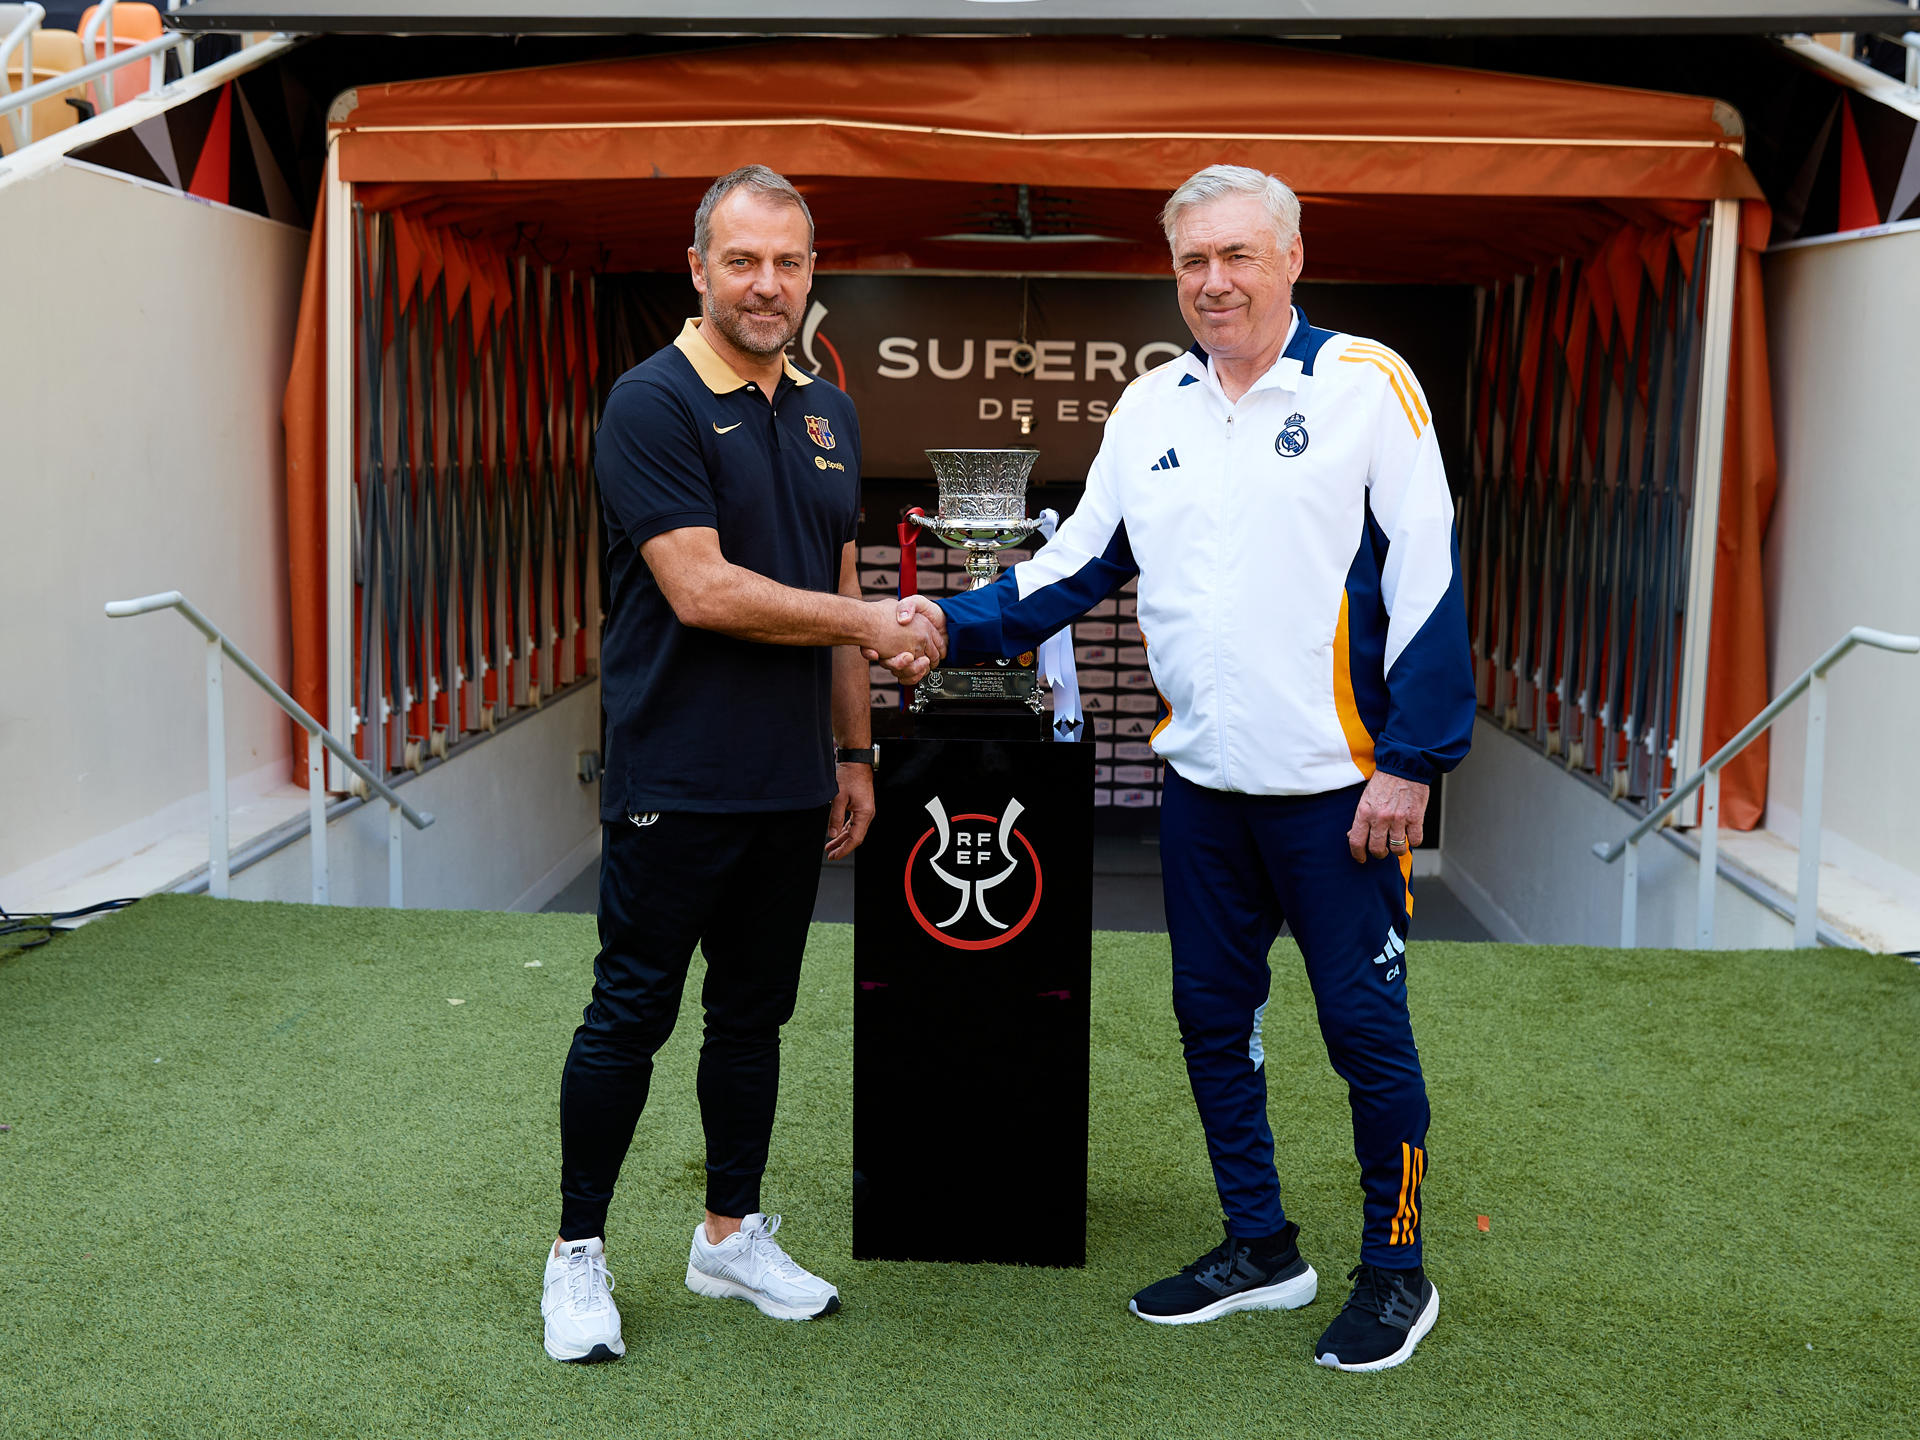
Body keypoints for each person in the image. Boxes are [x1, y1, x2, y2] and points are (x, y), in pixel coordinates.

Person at [886, 164, 1473, 1372]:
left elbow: (1428, 577)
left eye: (1239, 256)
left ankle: (1398, 1269)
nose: (1215, 282)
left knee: (1368, 1038)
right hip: (1203, 790)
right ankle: (1262, 1246)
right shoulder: (1150, 407)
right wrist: (948, 624)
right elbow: (1076, 567)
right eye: (1194, 261)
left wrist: (1411, 763)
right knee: (1213, 1021)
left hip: (1343, 796)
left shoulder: (1368, 387)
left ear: (1293, 257)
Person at [541, 165, 944, 1363]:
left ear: (813, 273)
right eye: (743, 261)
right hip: (676, 777)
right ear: (699, 268)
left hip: (791, 785)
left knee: (753, 1021)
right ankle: (576, 1257)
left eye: (789, 262)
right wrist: (872, 632)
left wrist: (857, 750)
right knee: (630, 1017)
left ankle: (726, 1237)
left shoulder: (829, 410)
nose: (766, 285)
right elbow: (703, 590)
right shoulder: (650, 402)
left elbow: (841, 588)